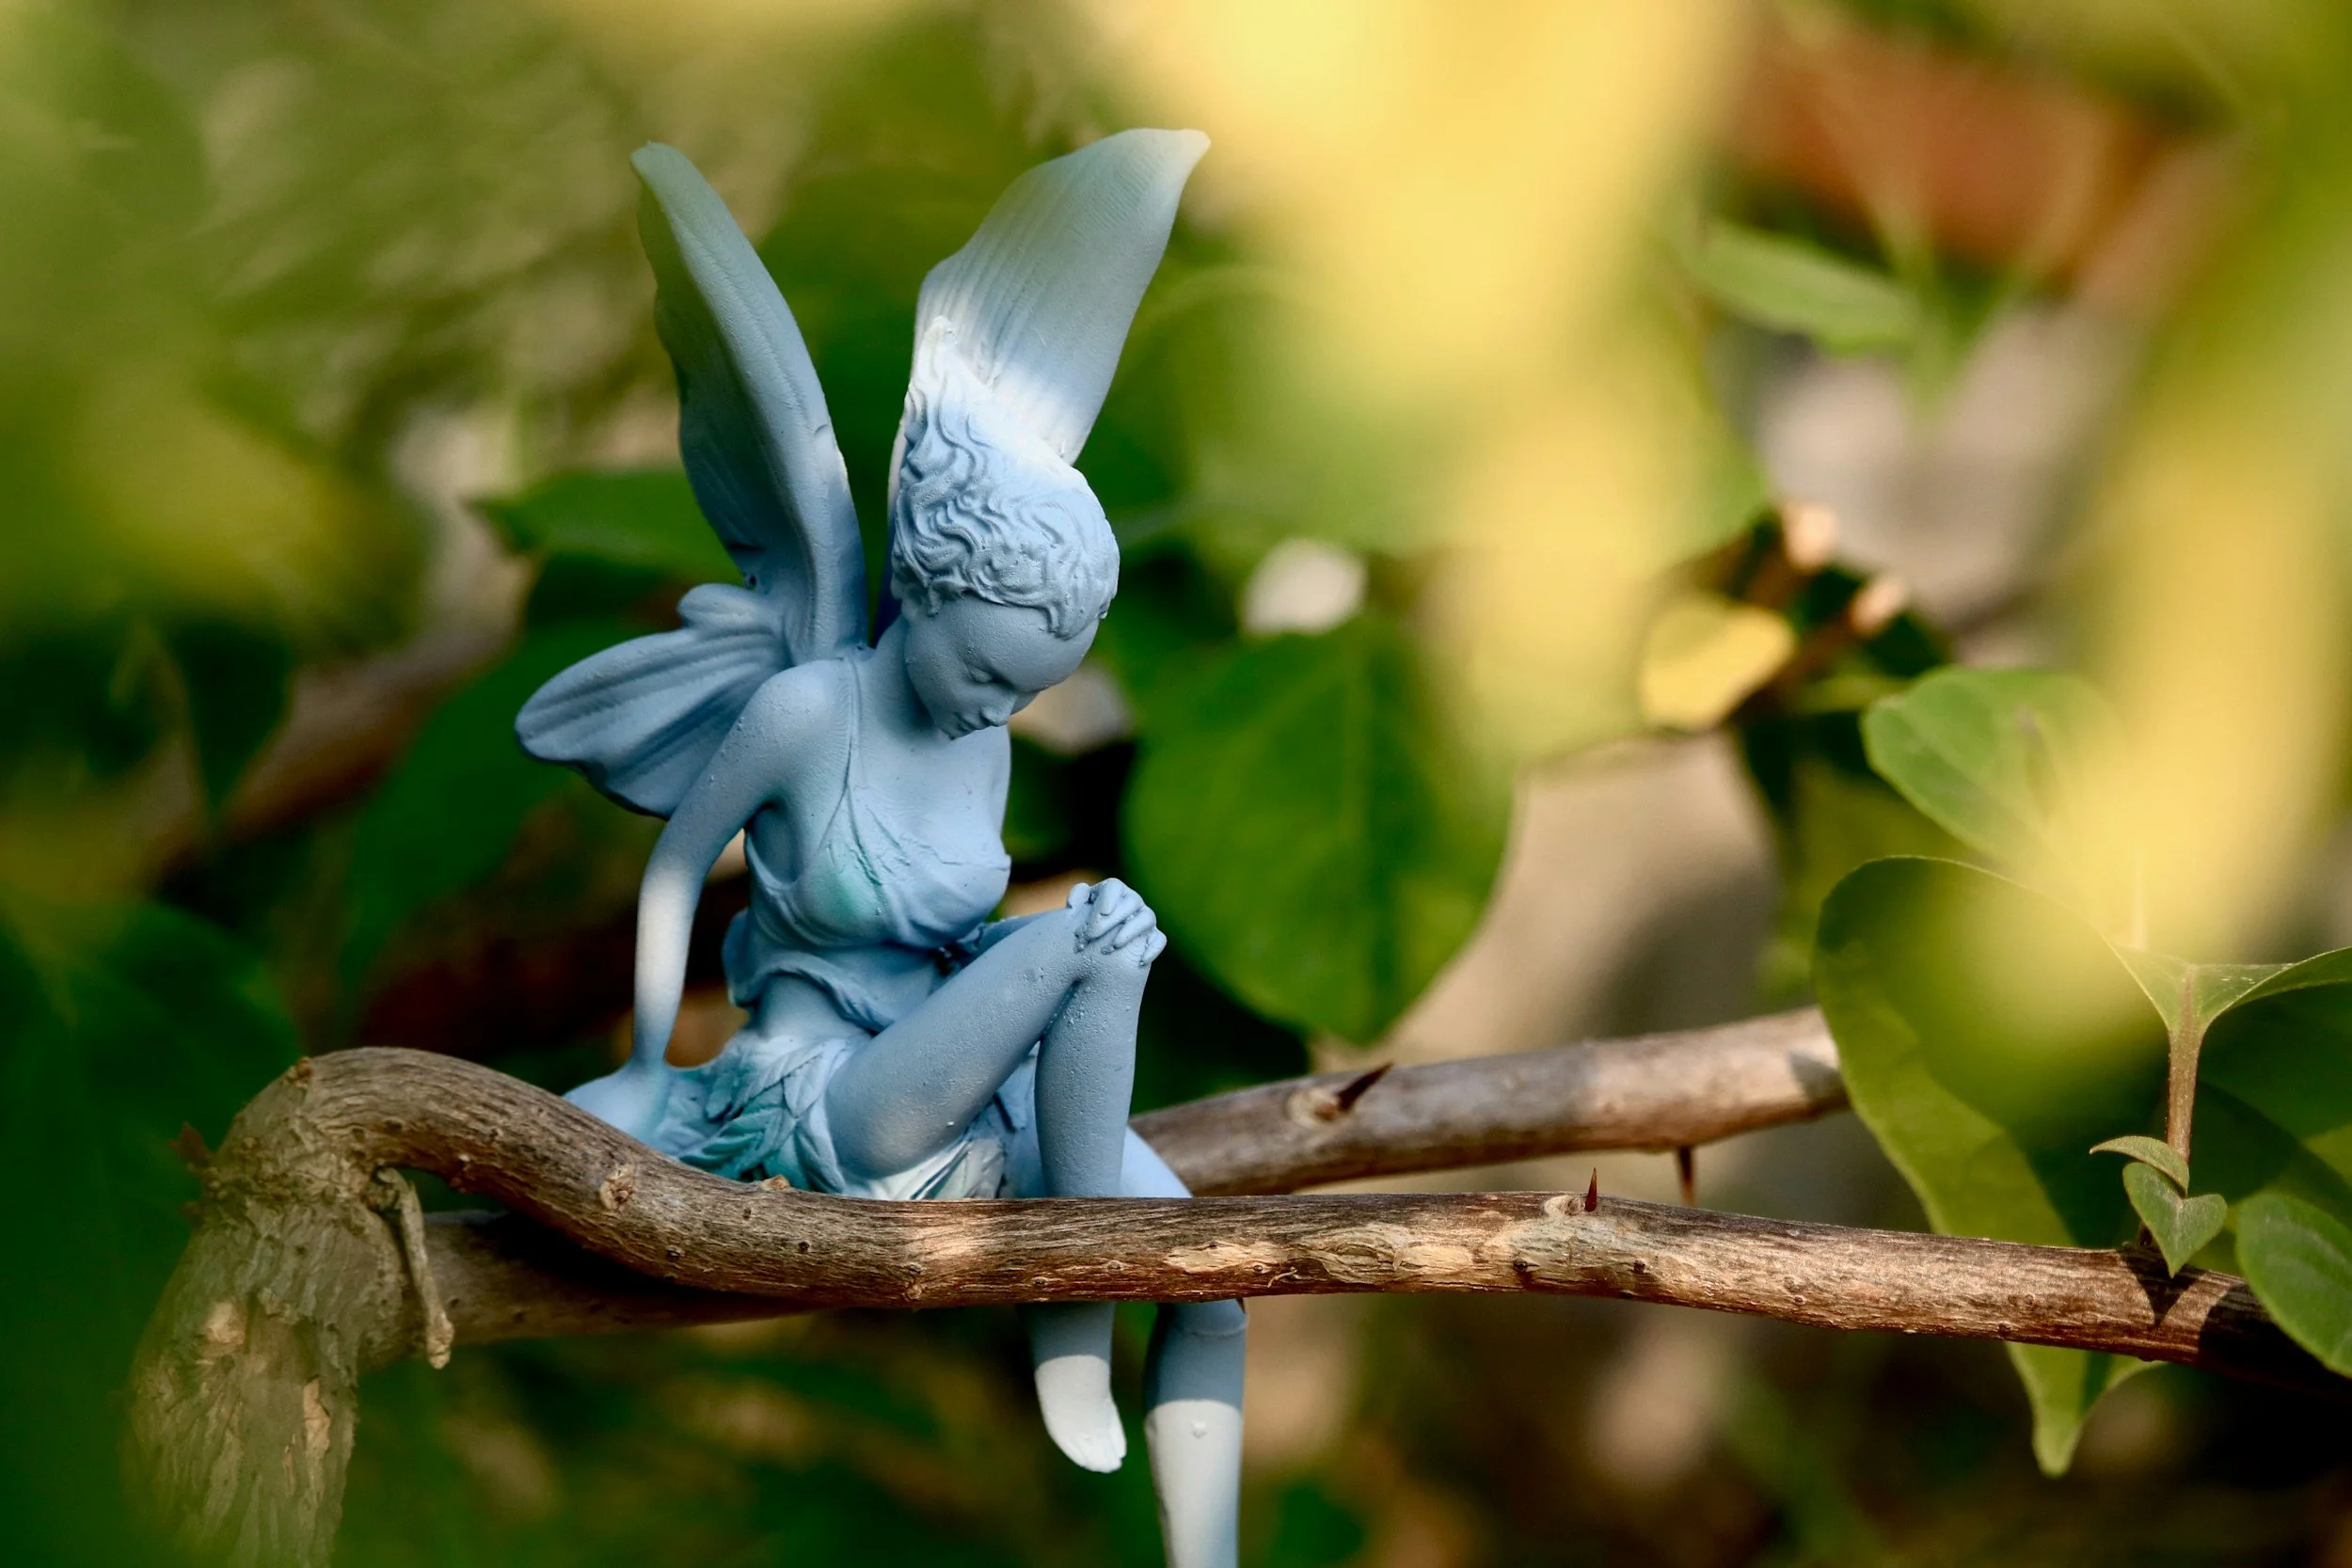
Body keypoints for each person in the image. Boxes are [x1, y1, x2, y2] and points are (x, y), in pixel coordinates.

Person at [517, 131, 1243, 1568]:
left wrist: (1027, 970)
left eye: (1027, 694)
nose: (998, 712)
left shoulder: (980, 740)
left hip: (966, 1079)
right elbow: (675, 873)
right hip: (828, 1103)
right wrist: (659, 1062)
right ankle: (1069, 1319)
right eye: (985, 672)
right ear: (926, 586)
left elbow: (967, 942)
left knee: (1214, 1278)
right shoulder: (804, 710)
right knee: (1093, 928)